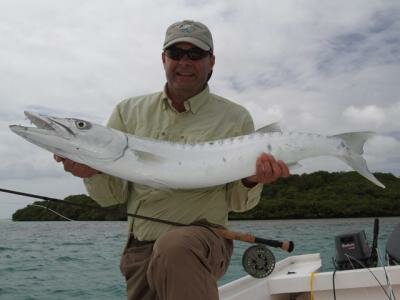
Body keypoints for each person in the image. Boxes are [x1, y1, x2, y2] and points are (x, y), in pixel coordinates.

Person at [55, 20, 289, 300]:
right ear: (163, 59)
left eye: (195, 54)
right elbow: (111, 197)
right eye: (176, 54)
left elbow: (238, 203)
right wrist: (90, 172)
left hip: (205, 242)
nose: (184, 62)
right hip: (140, 249)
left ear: (211, 61)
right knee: (167, 250)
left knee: (175, 246)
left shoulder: (235, 118)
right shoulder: (128, 112)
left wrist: (252, 180)